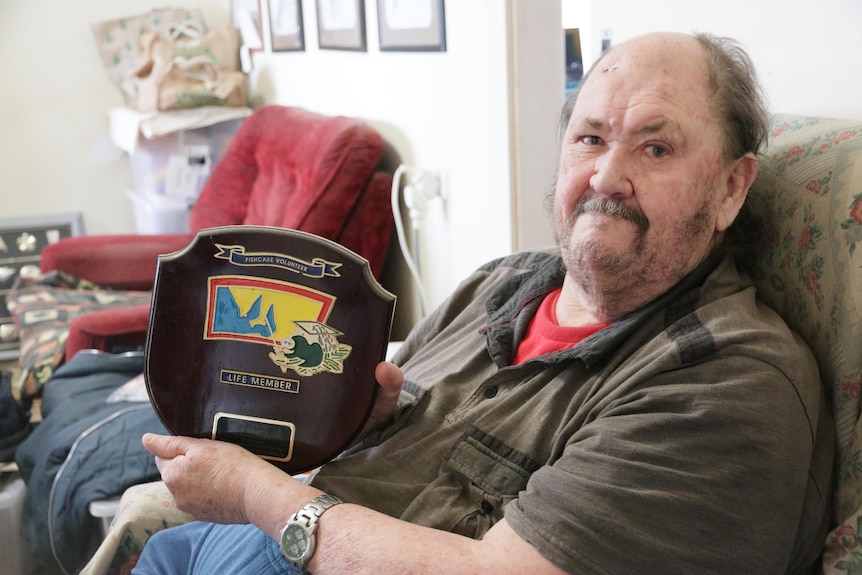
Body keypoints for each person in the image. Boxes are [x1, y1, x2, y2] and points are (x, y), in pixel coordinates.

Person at [131, 31, 834, 574]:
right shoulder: (501, 284)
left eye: (656, 148)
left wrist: (258, 496)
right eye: (589, 138)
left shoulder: (725, 384)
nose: (606, 176)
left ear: (732, 189)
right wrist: (357, 418)